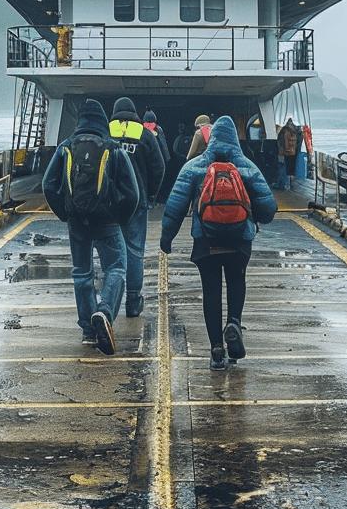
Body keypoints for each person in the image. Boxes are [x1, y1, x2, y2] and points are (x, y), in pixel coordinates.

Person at [161, 116, 277, 371]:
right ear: (235, 139)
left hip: (206, 240)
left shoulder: (193, 167)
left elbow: (175, 206)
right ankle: (234, 322)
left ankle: (215, 350)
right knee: (236, 281)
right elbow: (269, 209)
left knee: (211, 292)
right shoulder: (247, 167)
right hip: (239, 240)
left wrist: (166, 238)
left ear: (211, 139)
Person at [43, 99, 140, 355]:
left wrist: (65, 213)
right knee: (117, 268)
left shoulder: (66, 147)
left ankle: (87, 330)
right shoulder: (113, 148)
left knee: (82, 273)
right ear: (102, 120)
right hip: (107, 221)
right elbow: (133, 194)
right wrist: (120, 217)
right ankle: (105, 311)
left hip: (77, 222)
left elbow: (47, 185)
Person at [110, 97, 166, 317]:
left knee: (111, 252)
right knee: (134, 251)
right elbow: (159, 167)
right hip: (136, 202)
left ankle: (108, 302)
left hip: (109, 204)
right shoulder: (144, 134)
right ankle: (133, 301)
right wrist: (150, 193)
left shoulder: (106, 133)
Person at [277, 117, 301, 190]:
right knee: (291, 169)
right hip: (293, 152)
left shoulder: (284, 130)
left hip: (285, 152)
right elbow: (298, 142)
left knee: (284, 168)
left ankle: (284, 185)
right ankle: (291, 184)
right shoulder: (296, 131)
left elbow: (281, 141)